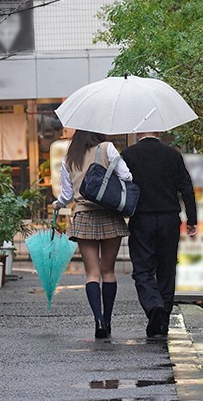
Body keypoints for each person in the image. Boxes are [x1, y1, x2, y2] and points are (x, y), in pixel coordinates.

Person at [53, 130, 132, 339]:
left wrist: (57, 204)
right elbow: (127, 176)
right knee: (108, 272)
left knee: (92, 274)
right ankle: (107, 320)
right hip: (109, 214)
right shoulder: (107, 149)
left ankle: (97, 321)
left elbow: (67, 195)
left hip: (84, 216)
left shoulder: (70, 158)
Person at [121, 132, 197, 337]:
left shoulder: (128, 155)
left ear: (138, 134)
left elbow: (120, 186)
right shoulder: (172, 155)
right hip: (169, 219)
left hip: (141, 219)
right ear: (159, 133)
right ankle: (163, 318)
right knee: (167, 268)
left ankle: (153, 305)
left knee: (143, 270)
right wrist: (192, 220)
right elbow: (186, 189)